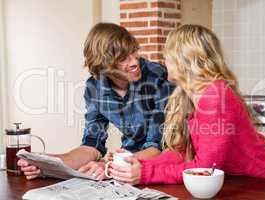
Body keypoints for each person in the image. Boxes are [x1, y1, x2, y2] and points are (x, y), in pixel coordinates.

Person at [107, 24, 265, 185]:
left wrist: (145, 173)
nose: (163, 60)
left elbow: (204, 169)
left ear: (185, 59)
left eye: (168, 54)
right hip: (244, 184)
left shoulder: (216, 96)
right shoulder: (189, 96)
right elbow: (182, 153)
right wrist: (136, 161)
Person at [17, 23, 174, 180]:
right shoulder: (95, 87)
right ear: (104, 65)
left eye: (134, 52)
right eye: (123, 58)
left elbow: (157, 147)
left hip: (163, 166)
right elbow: (92, 144)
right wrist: (48, 163)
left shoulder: (158, 77)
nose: (134, 62)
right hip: (126, 164)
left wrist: (110, 166)